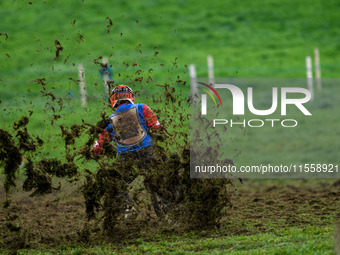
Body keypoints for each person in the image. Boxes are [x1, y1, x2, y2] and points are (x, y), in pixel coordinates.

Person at [92, 84, 165, 217]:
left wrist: (95, 150)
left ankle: (128, 206)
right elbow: (157, 128)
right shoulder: (142, 108)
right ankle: (169, 205)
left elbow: (99, 147)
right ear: (131, 97)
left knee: (114, 184)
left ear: (113, 101)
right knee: (161, 179)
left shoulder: (109, 121)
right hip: (148, 152)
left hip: (127, 159)